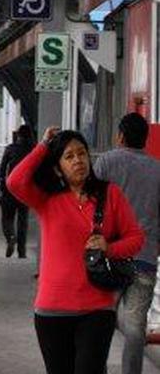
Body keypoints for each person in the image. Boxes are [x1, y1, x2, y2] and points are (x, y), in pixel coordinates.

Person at [7, 127, 144, 374]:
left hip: (96, 308)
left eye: (82, 154)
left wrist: (110, 247)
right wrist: (43, 146)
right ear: (58, 167)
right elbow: (14, 182)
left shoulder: (109, 193)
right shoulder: (46, 199)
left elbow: (135, 238)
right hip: (51, 310)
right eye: (69, 156)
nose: (78, 160)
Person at [93, 113, 160, 374]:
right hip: (144, 256)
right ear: (145, 139)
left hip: (109, 256)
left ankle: (95, 367)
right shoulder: (157, 169)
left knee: (100, 319)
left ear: (120, 136)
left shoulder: (107, 162)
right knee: (134, 327)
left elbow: (87, 203)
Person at [0, 124, 35, 259]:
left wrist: (2, 185)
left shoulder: (10, 149)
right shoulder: (33, 150)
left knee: (7, 218)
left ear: (18, 135)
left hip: (10, 188)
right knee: (22, 221)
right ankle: (21, 251)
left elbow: (2, 170)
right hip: (25, 190)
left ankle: (10, 237)